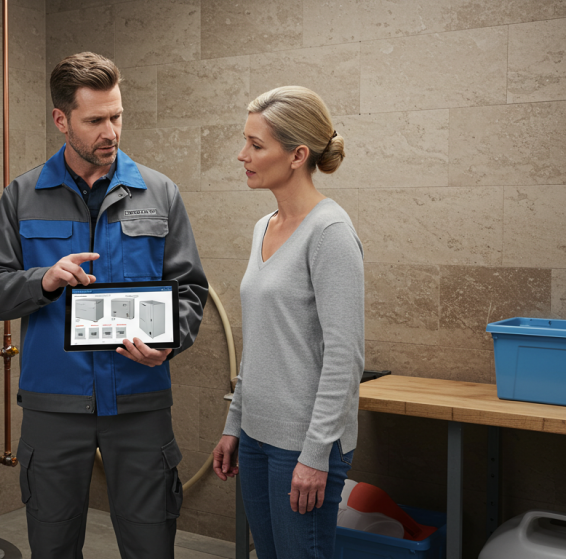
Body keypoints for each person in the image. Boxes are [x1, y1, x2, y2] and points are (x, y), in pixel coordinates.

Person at [0, 52, 208, 558]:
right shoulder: (24, 195)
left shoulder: (159, 193)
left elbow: (190, 290)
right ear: (62, 120)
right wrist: (45, 280)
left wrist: (169, 342)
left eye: (116, 116)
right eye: (95, 120)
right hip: (54, 404)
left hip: (140, 400)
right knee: (53, 546)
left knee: (150, 546)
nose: (111, 131)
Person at [210, 86, 364, 559]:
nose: (242, 155)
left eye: (257, 145)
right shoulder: (264, 226)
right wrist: (235, 423)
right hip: (256, 437)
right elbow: (260, 343)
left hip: (304, 446)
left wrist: (316, 455)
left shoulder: (330, 232)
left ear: (298, 154)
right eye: (245, 141)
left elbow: (345, 356)